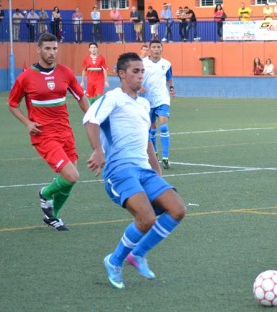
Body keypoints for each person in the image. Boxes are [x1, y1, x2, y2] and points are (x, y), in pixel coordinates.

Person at [83, 52, 186, 289]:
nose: (140, 76)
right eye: (135, 71)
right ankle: (115, 260)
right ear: (121, 74)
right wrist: (98, 151)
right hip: (120, 170)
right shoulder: (113, 98)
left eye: (142, 71)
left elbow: (147, 139)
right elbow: (91, 121)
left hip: (144, 170)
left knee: (177, 209)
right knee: (146, 217)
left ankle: (136, 254)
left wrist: (156, 167)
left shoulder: (144, 103)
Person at [8, 33, 89, 231]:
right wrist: (27, 123)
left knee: (70, 179)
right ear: (38, 50)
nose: (52, 52)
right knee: (72, 176)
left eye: (54, 48)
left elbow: (81, 97)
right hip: (44, 134)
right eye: (47, 48)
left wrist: (92, 118)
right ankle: (45, 193)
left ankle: (54, 217)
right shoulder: (26, 77)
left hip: (65, 132)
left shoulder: (66, 72)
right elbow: (12, 104)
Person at [141, 40, 175, 169]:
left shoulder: (166, 64)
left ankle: (165, 157)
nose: (156, 49)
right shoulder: (143, 63)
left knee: (164, 127)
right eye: (154, 47)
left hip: (162, 98)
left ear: (162, 49)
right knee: (151, 129)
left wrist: (171, 88)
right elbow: (135, 76)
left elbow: (169, 78)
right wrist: (139, 88)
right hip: (147, 100)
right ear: (149, 49)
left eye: (158, 47)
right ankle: (154, 152)